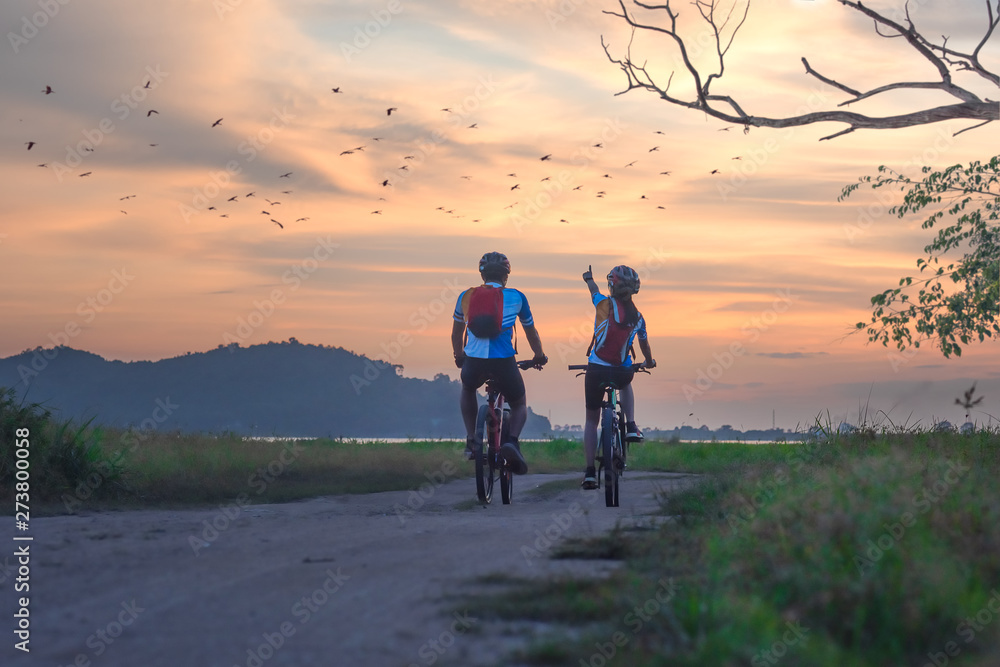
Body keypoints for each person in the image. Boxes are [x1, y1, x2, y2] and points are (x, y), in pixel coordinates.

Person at [452, 252, 547, 474]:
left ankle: (471, 440)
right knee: (519, 403)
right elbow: (531, 332)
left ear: (482, 274)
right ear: (506, 275)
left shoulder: (465, 296)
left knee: (467, 388)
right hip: (504, 361)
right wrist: (539, 355)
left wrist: (459, 356)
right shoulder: (517, 297)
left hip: (474, 361)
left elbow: (456, 334)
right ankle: (511, 442)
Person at [580, 264, 655, 489]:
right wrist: (649, 361)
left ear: (611, 285)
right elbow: (644, 343)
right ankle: (631, 425)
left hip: (596, 369)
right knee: (627, 380)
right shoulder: (638, 316)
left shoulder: (602, 303)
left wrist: (588, 279)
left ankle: (590, 472)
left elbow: (593, 291)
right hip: (621, 371)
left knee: (592, 421)